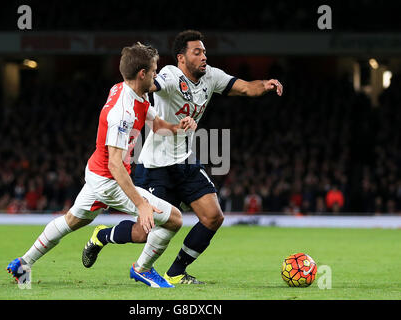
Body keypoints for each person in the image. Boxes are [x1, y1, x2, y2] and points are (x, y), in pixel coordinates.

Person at [84, 30, 283, 285]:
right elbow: (152, 84)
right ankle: (103, 236)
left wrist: (264, 85)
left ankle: (176, 271)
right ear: (181, 58)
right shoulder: (169, 74)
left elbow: (245, 88)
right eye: (197, 52)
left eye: (205, 52)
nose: (203, 57)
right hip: (155, 166)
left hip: (186, 161)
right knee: (147, 232)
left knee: (213, 217)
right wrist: (137, 83)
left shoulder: (212, 76)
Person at [6, 42, 197, 288]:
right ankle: (143, 269)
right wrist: (142, 206)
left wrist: (176, 127)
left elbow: (157, 125)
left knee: (73, 221)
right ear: (142, 74)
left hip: (97, 173)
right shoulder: (123, 112)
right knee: (174, 219)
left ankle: (23, 263)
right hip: (109, 179)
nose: (156, 75)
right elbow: (116, 165)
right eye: (153, 70)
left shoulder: (128, 92)